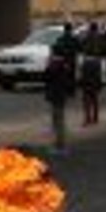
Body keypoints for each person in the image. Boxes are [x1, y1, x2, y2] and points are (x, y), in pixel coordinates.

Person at [46, 23, 79, 153]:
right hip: (61, 91)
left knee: (57, 120)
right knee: (59, 119)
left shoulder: (54, 64)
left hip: (55, 94)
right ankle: (60, 143)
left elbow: (47, 76)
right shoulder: (63, 64)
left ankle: (60, 144)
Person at [79, 22, 106, 126]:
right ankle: (95, 117)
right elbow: (104, 49)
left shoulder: (86, 37)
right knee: (94, 94)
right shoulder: (100, 38)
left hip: (87, 63)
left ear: (90, 29)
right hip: (97, 64)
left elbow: (80, 47)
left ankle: (87, 118)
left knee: (86, 95)